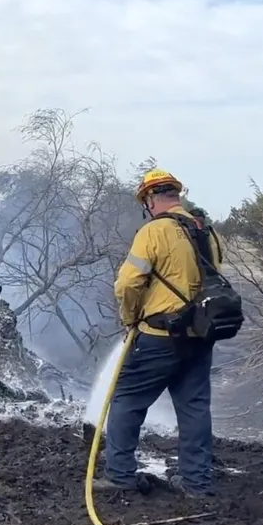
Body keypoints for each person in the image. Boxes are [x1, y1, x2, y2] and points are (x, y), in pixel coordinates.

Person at [98, 169, 234, 498]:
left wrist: (129, 317)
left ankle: (119, 475)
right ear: (176, 195)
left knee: (127, 400)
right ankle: (196, 484)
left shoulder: (154, 231)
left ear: (149, 199)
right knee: (194, 408)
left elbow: (128, 283)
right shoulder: (207, 231)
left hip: (159, 336)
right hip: (200, 335)